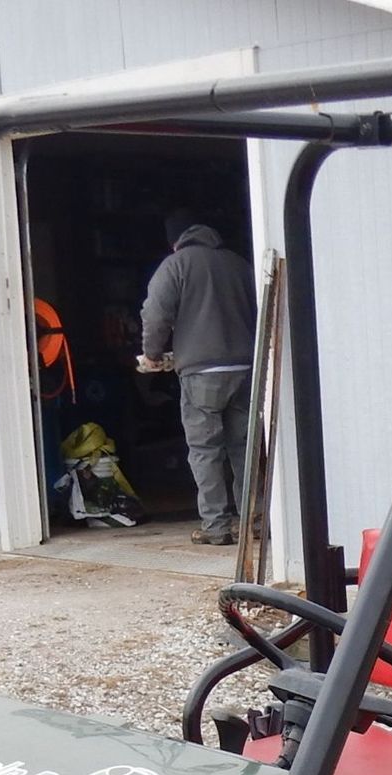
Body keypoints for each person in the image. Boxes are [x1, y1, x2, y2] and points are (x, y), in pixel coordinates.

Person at [140, 212, 257, 545]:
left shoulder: (175, 265)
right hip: (245, 366)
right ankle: (255, 521)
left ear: (174, 241)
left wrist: (152, 354)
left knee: (205, 449)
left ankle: (217, 526)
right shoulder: (237, 264)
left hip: (201, 371)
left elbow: (155, 313)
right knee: (243, 447)